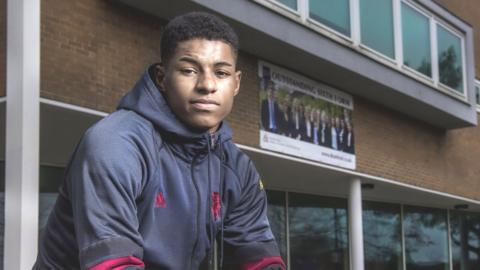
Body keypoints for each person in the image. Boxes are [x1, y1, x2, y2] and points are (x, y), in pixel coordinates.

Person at [34, 12, 285, 270]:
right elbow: (113, 265)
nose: (207, 84)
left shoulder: (236, 169)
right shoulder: (116, 144)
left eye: (221, 73)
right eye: (189, 70)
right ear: (162, 78)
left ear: (236, 83)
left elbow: (259, 257)